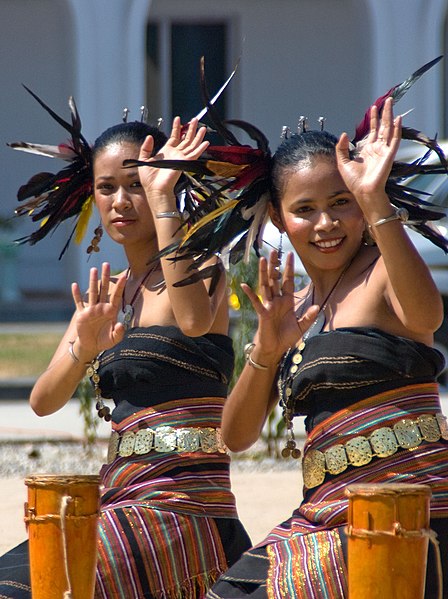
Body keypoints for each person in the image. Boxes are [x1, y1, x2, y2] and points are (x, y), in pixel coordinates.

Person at [139, 59, 448, 597]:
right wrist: (266, 346)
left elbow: (427, 317)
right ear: (280, 219)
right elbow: (235, 437)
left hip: (408, 509)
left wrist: (377, 202)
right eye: (305, 210)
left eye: (341, 203)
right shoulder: (294, 307)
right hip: (324, 517)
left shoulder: (382, 271)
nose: (326, 224)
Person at [0, 93, 251, 598]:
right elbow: (43, 401)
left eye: (136, 184)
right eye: (107, 187)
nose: (120, 200)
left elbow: (195, 322)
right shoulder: (106, 293)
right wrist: (84, 347)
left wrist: (163, 199)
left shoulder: (199, 268)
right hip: (121, 494)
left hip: (183, 503)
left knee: (50, 584)